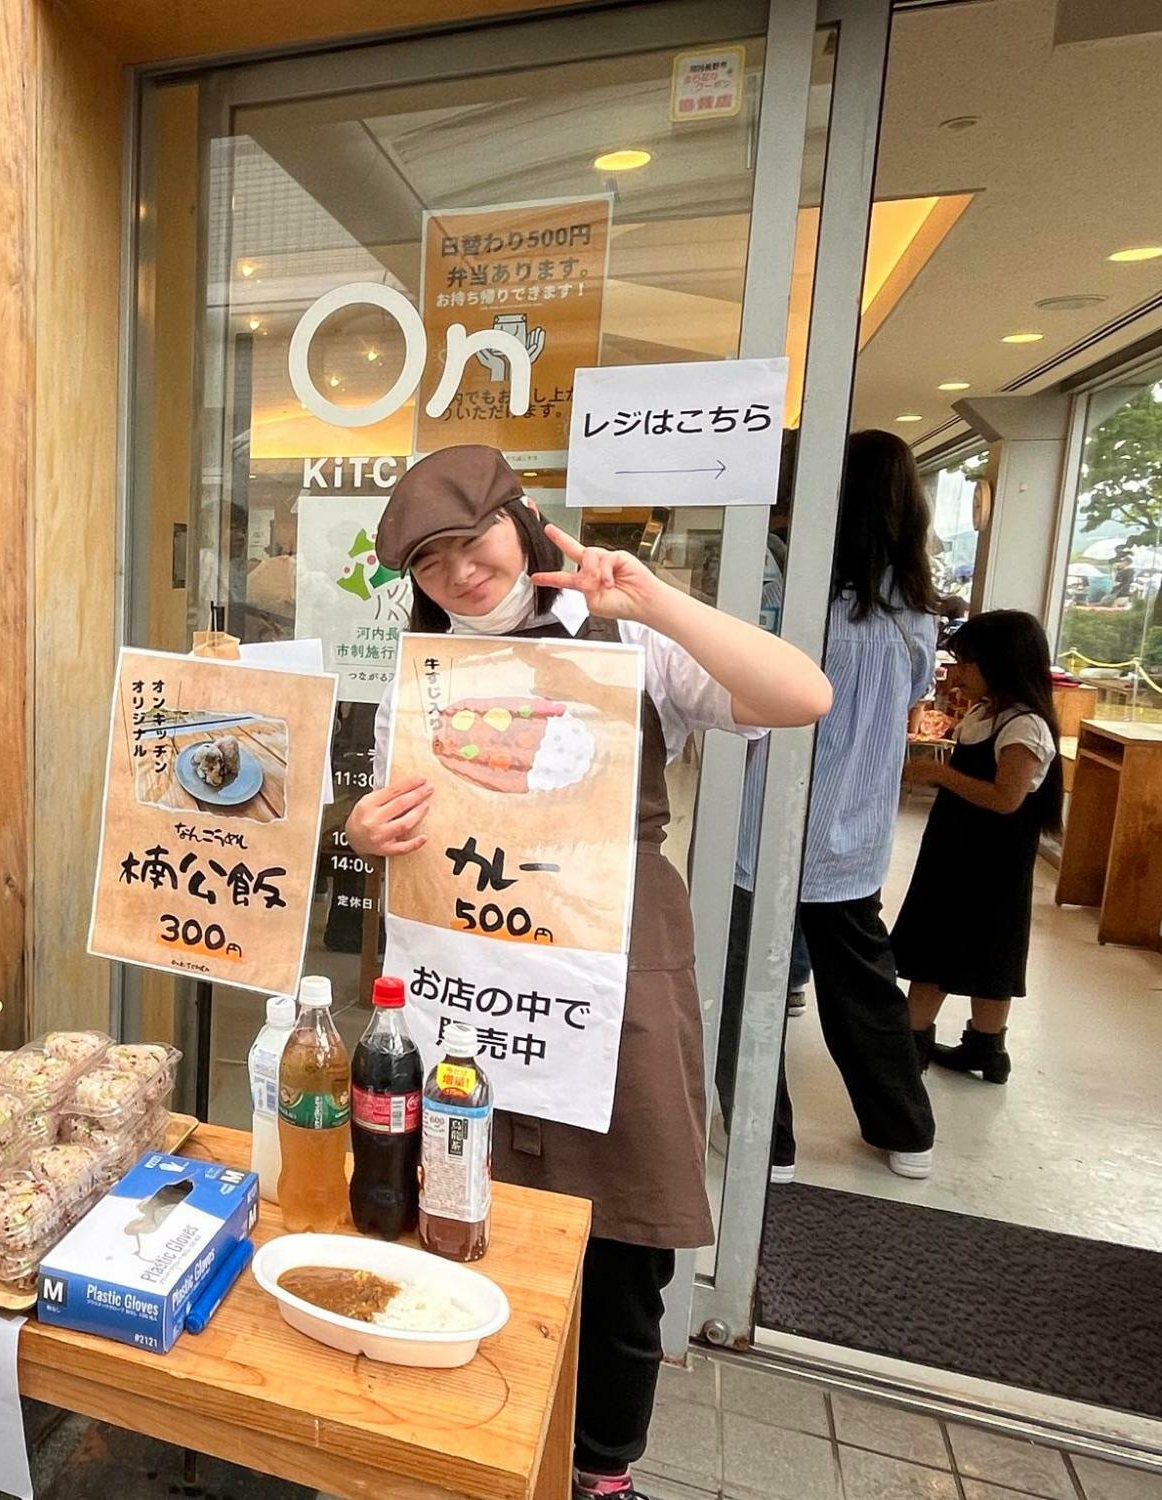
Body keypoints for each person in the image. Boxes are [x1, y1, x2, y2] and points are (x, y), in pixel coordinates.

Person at [344, 446, 831, 1500]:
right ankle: (464, 1433)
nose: (458, 574)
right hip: (464, 975)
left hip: (614, 974)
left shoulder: (628, 639)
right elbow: (398, 824)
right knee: (455, 1207)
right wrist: (361, 829)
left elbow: (800, 695)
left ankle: (599, 1471)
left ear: (519, 523)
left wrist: (655, 602)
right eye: (427, 564)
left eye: (469, 541)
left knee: (621, 1235)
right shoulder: (416, 678)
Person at [721, 430, 940, 1183]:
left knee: (747, 984)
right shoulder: (916, 610)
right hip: (858, 829)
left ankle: (765, 1142)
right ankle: (906, 1131)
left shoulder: (797, 596)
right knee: (864, 989)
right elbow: (909, 704)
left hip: (766, 821)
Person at [895, 610, 1064, 1084]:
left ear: (1001, 663)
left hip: (989, 862)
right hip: (956, 851)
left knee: (963, 950)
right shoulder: (987, 712)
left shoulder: (1024, 726)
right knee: (961, 944)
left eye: (967, 663)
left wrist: (939, 773)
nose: (957, 673)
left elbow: (1005, 799)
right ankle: (982, 1047)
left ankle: (917, 1043)